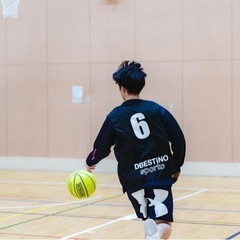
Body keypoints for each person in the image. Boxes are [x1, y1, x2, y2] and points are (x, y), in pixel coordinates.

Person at [85, 60, 186, 240]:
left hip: (133, 180)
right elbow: (178, 139)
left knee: (149, 220)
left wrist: (90, 161)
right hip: (160, 175)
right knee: (164, 223)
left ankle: (153, 234)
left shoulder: (114, 116)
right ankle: (158, 233)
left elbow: (101, 147)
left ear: (122, 88)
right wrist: (176, 165)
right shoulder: (157, 110)